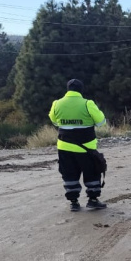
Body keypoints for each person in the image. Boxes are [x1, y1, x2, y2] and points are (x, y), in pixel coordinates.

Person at [48, 78, 108, 212]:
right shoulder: (88, 103)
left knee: (69, 174)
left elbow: (54, 120)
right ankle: (93, 200)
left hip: (64, 147)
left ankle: (73, 202)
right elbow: (101, 122)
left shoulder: (57, 104)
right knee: (92, 173)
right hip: (86, 147)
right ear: (81, 90)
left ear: (68, 89)